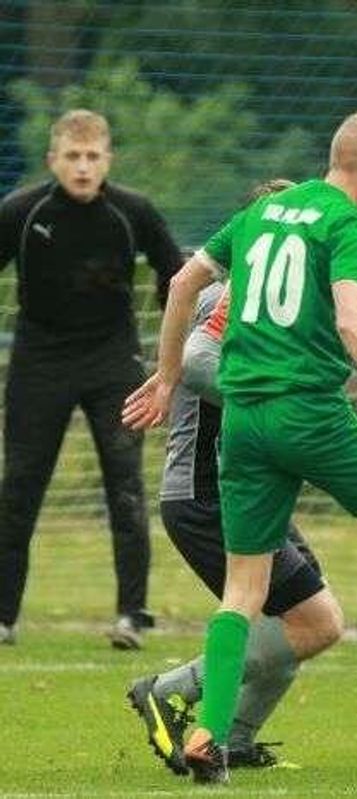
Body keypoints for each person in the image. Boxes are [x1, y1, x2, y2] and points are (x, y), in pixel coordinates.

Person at [123, 110, 357, 784]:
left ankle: (210, 730)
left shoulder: (261, 215)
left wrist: (167, 374)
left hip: (244, 422)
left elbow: (184, 282)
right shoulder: (350, 222)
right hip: (311, 415)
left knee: (244, 591)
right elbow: (352, 317)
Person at [127, 179, 345, 774]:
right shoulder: (226, 298)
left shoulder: (279, 301)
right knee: (315, 621)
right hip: (208, 494)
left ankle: (238, 737)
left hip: (247, 489)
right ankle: (170, 688)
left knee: (300, 614)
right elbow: (201, 364)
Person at [0, 109, 183, 649]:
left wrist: (177, 355)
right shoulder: (21, 210)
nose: (82, 167)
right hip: (39, 360)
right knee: (19, 488)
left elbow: (176, 279)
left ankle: (131, 616)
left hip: (113, 363)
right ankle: (4, 616)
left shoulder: (133, 212)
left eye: (92, 157)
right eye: (72, 157)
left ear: (108, 160)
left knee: (125, 485)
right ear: (53, 160)